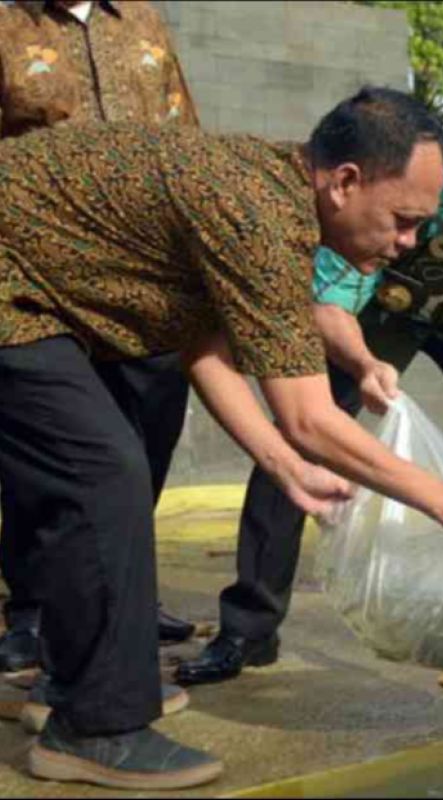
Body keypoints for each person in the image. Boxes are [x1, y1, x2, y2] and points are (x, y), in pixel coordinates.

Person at [0, 86, 443, 790]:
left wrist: (280, 464)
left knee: (94, 474)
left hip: (27, 289)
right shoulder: (257, 213)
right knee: (102, 474)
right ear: (345, 182)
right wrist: (442, 499)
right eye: (403, 220)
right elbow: (308, 415)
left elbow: (203, 347)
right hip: (10, 290)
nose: (409, 243)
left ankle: (76, 687)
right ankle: (95, 727)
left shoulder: (265, 192)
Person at [176, 91, 443, 691]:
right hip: (377, 313)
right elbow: (327, 304)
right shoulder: (412, 188)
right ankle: (249, 628)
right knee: (303, 440)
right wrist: (360, 362)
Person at [0, 0, 201, 678]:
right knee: (58, 455)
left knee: (147, 435)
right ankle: (33, 609)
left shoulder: (143, 20)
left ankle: (122, 595)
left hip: (146, 276)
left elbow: (186, 131)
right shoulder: (5, 26)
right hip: (43, 280)